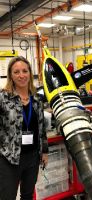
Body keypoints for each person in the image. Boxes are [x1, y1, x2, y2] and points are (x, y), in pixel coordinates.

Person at [0, 56, 48, 200]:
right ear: (11, 75)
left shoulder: (37, 99)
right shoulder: (3, 98)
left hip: (32, 157)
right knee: (7, 196)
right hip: (9, 159)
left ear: (29, 73)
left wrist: (44, 151)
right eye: (16, 72)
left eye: (24, 71)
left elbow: (41, 128)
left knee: (27, 195)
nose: (21, 75)